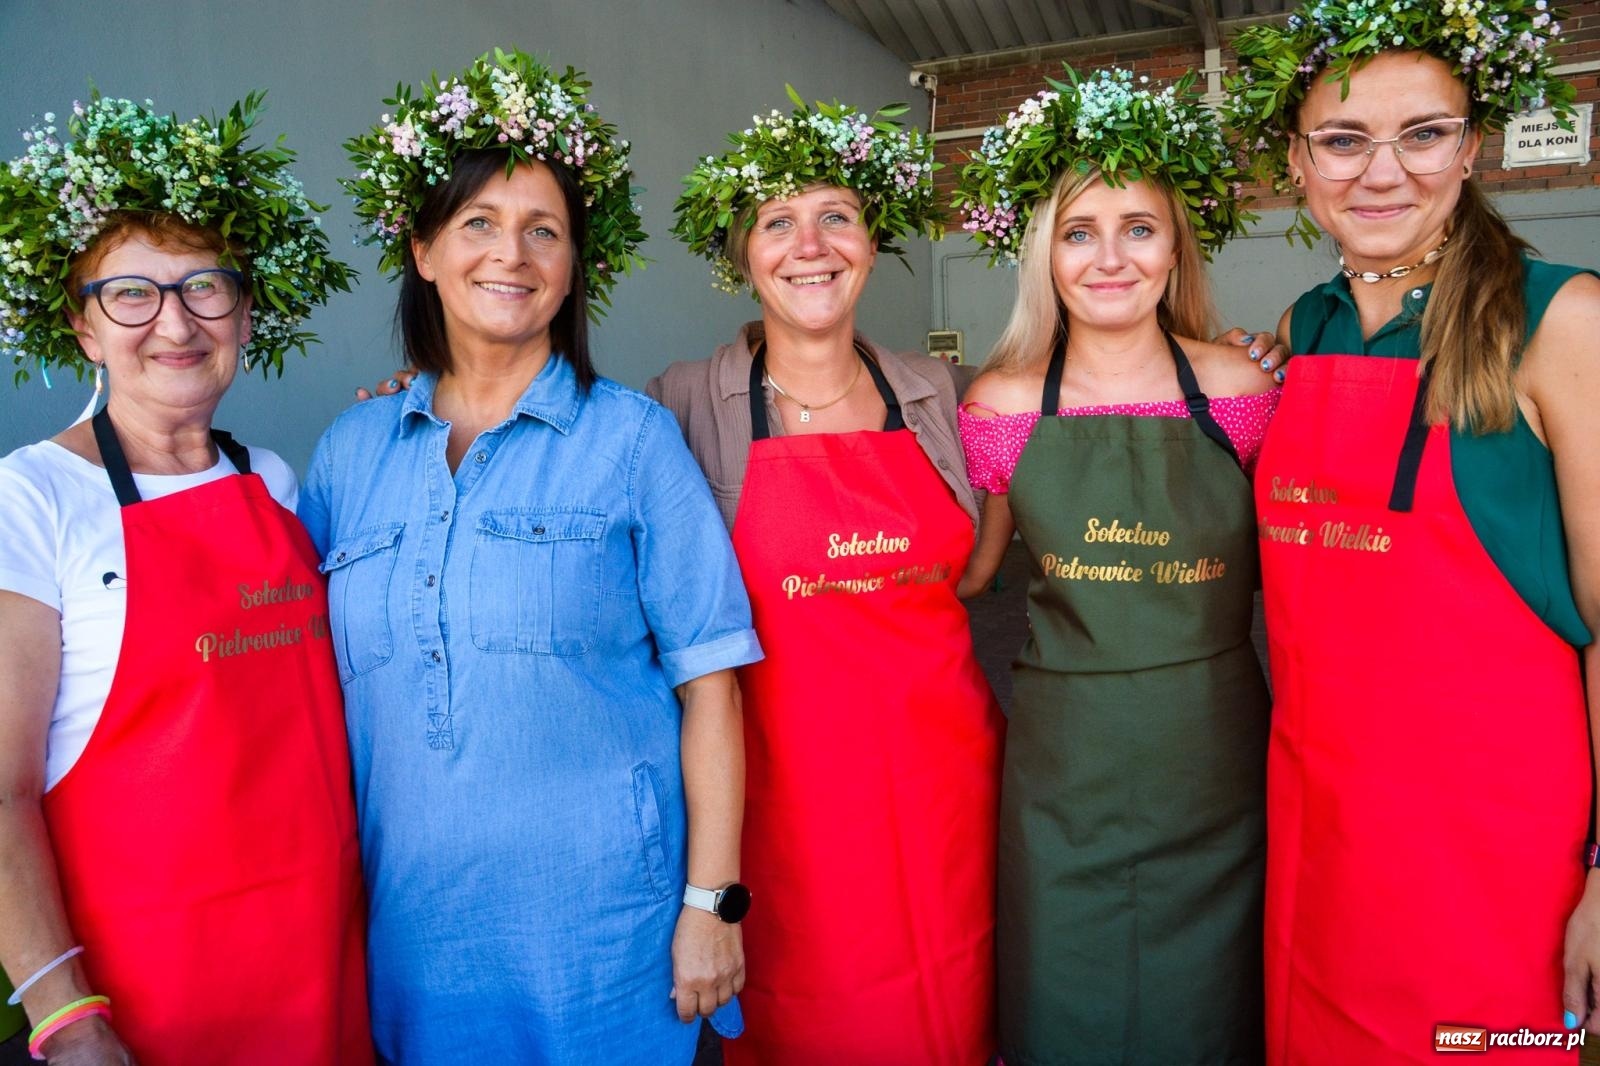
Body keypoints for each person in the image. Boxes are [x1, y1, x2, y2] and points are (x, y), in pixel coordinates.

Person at [309, 50, 761, 1065]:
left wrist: (712, 903)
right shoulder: (350, 453)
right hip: (417, 944)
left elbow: (712, 689)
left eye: (542, 230)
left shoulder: (634, 441)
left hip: (612, 943)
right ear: (422, 250)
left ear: (571, 265)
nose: (509, 254)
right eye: (478, 223)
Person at [1225, 3, 1600, 1061]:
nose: (1380, 174)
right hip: (1320, 837)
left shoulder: (1560, 319)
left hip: (1492, 862)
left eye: (1423, 134)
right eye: (1343, 140)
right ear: (1298, 162)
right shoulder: (1307, 327)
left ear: (1471, 145)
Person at [0, 94, 370, 1064]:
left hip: (324, 975)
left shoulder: (275, 481)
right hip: (150, 1001)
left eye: (204, 287)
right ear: (81, 328)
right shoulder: (31, 500)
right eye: (130, 293)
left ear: (245, 312)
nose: (174, 321)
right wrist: (62, 1015)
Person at [648, 92, 1006, 1065]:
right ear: (741, 253)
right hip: (782, 807)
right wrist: (420, 398)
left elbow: (982, 565)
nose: (810, 244)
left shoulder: (944, 392)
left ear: (871, 237)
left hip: (944, 792)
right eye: (777, 221)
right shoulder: (682, 404)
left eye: (835, 215)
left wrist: (1225, 357)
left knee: (950, 1009)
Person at [954, 67, 1278, 1065]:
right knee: (1065, 1004)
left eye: (1137, 228)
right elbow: (969, 576)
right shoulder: (997, 407)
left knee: (1208, 1013)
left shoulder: (1240, 387)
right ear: (1042, 252)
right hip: (1064, 773)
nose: (1109, 258)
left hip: (1215, 763)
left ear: (1174, 244)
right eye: (1079, 232)